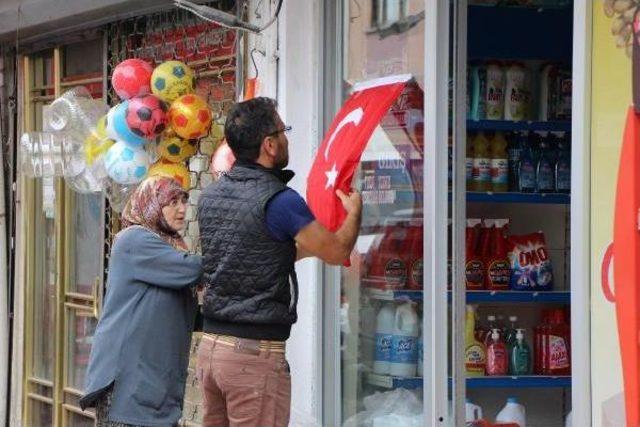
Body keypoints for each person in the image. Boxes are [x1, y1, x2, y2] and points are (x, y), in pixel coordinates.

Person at [197, 97, 362, 427]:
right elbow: (339, 252)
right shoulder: (280, 200)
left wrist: (309, 244)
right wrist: (355, 214)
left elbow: (256, 252)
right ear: (269, 145)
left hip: (211, 350)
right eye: (283, 131)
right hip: (252, 356)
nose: (287, 138)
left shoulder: (211, 195)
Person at [80, 176, 203, 427]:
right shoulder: (134, 240)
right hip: (128, 382)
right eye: (171, 202)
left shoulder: (169, 247)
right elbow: (191, 269)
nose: (181, 209)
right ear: (150, 204)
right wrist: (237, 254)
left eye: (184, 201)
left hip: (152, 385)